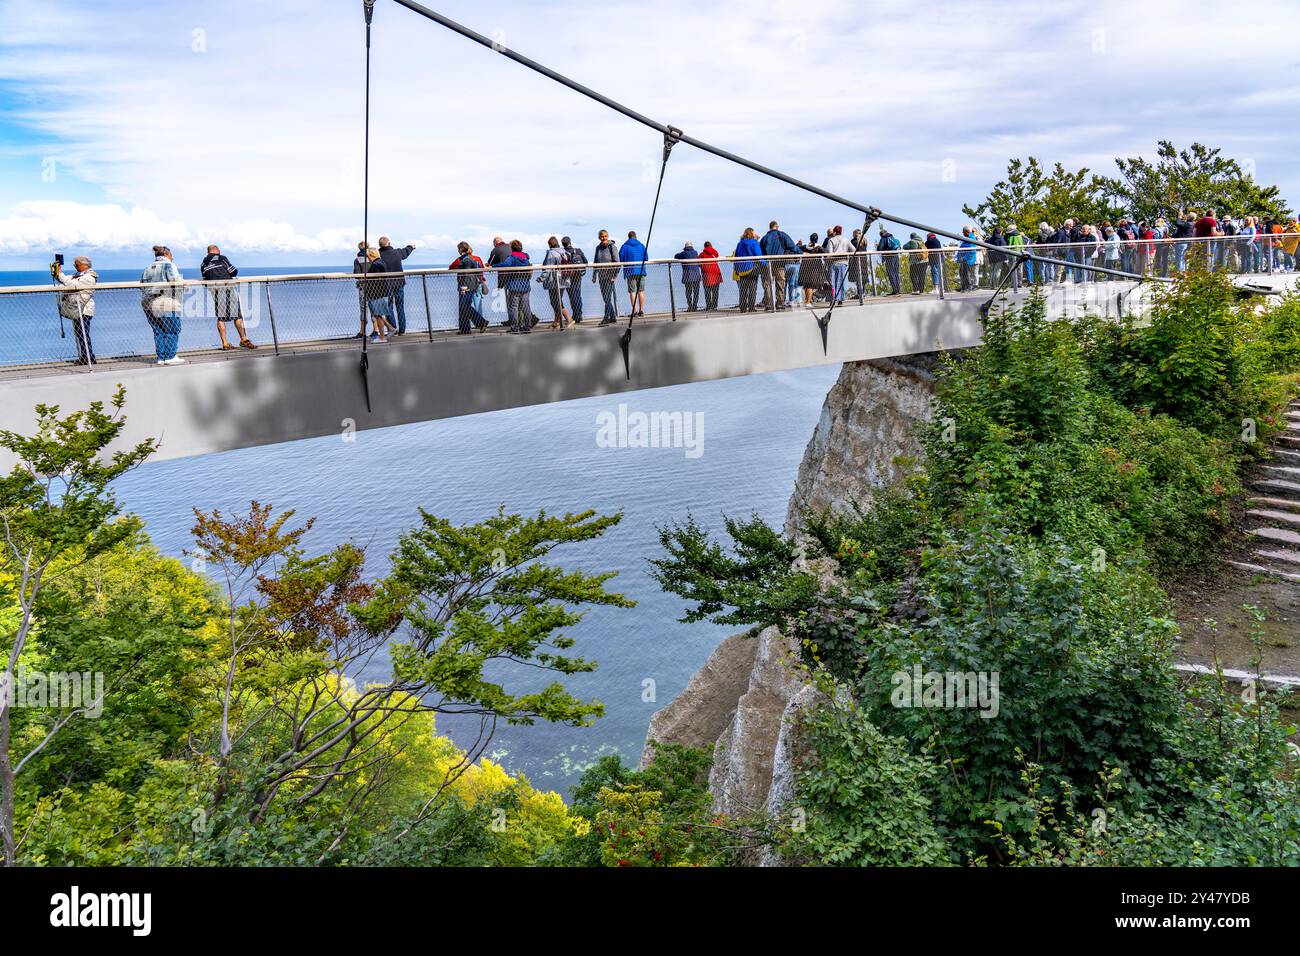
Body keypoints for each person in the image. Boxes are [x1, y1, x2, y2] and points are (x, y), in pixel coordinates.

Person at [199, 244, 256, 350]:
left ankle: (225, 343)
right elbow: (233, 271)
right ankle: (243, 339)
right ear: (217, 250)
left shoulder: (203, 263)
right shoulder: (222, 258)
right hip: (228, 288)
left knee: (221, 317)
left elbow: (205, 280)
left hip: (215, 291)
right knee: (237, 315)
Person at [140, 245, 186, 365]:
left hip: (148, 302)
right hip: (165, 301)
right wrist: (183, 286)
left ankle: (161, 357)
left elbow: (142, 285)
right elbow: (176, 281)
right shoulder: (169, 265)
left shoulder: (148, 267)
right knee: (172, 329)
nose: (173, 257)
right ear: (166, 255)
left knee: (158, 330)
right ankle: (170, 356)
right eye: (171, 255)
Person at [54, 255, 97, 365]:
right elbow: (65, 280)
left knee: (83, 334)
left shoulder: (89, 277)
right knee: (80, 334)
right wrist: (58, 272)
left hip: (84, 309)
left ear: (84, 265)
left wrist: (60, 274)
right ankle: (85, 357)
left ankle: (89, 358)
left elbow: (72, 285)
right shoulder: (78, 275)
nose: (75, 267)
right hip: (76, 308)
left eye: (77, 265)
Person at [377, 236, 414, 335]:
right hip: (399, 283)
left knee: (389, 307)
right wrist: (411, 246)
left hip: (386, 285)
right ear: (389, 243)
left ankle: (393, 328)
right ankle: (402, 330)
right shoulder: (396, 253)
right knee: (400, 306)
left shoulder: (379, 255)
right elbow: (406, 252)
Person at [356, 247, 393, 342]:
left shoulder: (376, 265)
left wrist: (365, 283)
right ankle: (390, 328)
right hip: (382, 292)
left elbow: (374, 281)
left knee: (377, 314)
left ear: (370, 255)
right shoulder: (381, 262)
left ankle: (382, 337)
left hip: (377, 293)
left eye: (368, 255)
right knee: (378, 314)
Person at [499, 239, 536, 333]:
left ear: (512, 248)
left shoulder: (512, 257)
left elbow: (505, 264)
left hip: (513, 285)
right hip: (525, 285)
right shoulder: (525, 257)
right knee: (526, 306)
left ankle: (514, 327)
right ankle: (527, 326)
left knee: (513, 307)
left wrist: (493, 266)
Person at [451, 241, 488, 333]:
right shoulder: (471, 259)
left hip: (466, 287)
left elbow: (466, 274)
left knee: (464, 307)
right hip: (470, 285)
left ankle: (481, 322)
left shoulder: (465, 260)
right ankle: (465, 329)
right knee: (464, 307)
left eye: (458, 249)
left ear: (460, 249)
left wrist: (463, 287)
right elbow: (479, 270)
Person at [760, 220, 798, 309]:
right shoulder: (782, 235)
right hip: (779, 263)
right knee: (780, 283)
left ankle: (768, 304)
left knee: (767, 284)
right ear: (777, 227)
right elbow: (792, 246)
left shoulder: (764, 238)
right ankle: (779, 303)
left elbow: (761, 252)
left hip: (767, 263)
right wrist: (800, 252)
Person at [541, 236, 572, 330]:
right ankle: (556, 322)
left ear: (549, 244)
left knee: (555, 302)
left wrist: (541, 278)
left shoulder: (551, 253)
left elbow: (548, 267)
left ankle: (569, 319)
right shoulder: (564, 252)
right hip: (564, 279)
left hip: (554, 280)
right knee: (558, 299)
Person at [732, 227, 764, 313]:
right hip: (752, 268)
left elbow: (736, 256)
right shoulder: (754, 242)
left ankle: (742, 308)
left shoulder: (740, 244)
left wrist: (736, 268)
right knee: (752, 289)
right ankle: (751, 307)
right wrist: (765, 264)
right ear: (752, 234)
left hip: (742, 269)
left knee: (743, 289)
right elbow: (758, 255)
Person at [592, 229, 619, 325]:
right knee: (605, 298)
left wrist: (614, 275)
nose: (604, 238)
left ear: (608, 236)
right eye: (602, 236)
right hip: (601, 276)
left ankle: (606, 318)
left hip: (610, 276)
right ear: (599, 237)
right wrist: (594, 275)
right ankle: (613, 317)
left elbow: (617, 262)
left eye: (605, 236)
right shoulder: (598, 248)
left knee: (607, 297)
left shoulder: (612, 247)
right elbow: (595, 262)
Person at [619, 231, 648, 317]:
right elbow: (646, 258)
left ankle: (634, 311)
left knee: (632, 291)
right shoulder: (641, 245)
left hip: (630, 270)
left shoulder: (624, 246)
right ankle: (641, 310)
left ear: (628, 237)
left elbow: (621, 258)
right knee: (641, 291)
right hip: (641, 270)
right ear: (636, 237)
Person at [824, 225, 851, 303]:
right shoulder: (846, 240)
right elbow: (853, 249)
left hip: (833, 263)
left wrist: (826, 263)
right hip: (843, 263)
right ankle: (840, 299)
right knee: (841, 281)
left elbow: (830, 253)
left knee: (832, 282)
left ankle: (833, 299)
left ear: (835, 232)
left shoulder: (831, 240)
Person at [561, 237, 586, 323]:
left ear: (562, 244)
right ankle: (579, 314)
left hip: (568, 276)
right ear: (570, 242)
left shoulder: (563, 252)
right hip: (578, 275)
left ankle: (576, 315)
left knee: (572, 296)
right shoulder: (578, 250)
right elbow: (585, 261)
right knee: (578, 295)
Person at [798, 232, 826, 306]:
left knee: (804, 286)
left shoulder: (804, 247)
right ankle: (808, 302)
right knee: (810, 285)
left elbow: (797, 249)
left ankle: (805, 301)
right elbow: (826, 253)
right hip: (814, 268)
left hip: (804, 267)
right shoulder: (819, 247)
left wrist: (799, 244)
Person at [674, 241, 703, 312]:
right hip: (696, 275)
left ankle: (690, 306)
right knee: (696, 292)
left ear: (685, 247)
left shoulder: (683, 253)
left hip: (687, 276)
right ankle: (695, 306)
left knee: (688, 292)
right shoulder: (695, 252)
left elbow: (676, 256)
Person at [877, 226, 902, 294]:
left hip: (889, 257)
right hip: (896, 256)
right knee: (896, 273)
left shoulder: (883, 238)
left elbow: (880, 248)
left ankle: (895, 290)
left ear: (881, 234)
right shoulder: (892, 237)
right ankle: (898, 289)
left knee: (891, 273)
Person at [699, 241, 723, 310]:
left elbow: (699, 263)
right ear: (711, 246)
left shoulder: (702, 254)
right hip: (716, 273)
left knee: (707, 291)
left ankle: (709, 306)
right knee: (715, 291)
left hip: (707, 274)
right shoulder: (714, 252)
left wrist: (703, 267)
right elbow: (717, 255)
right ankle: (715, 306)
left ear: (704, 246)